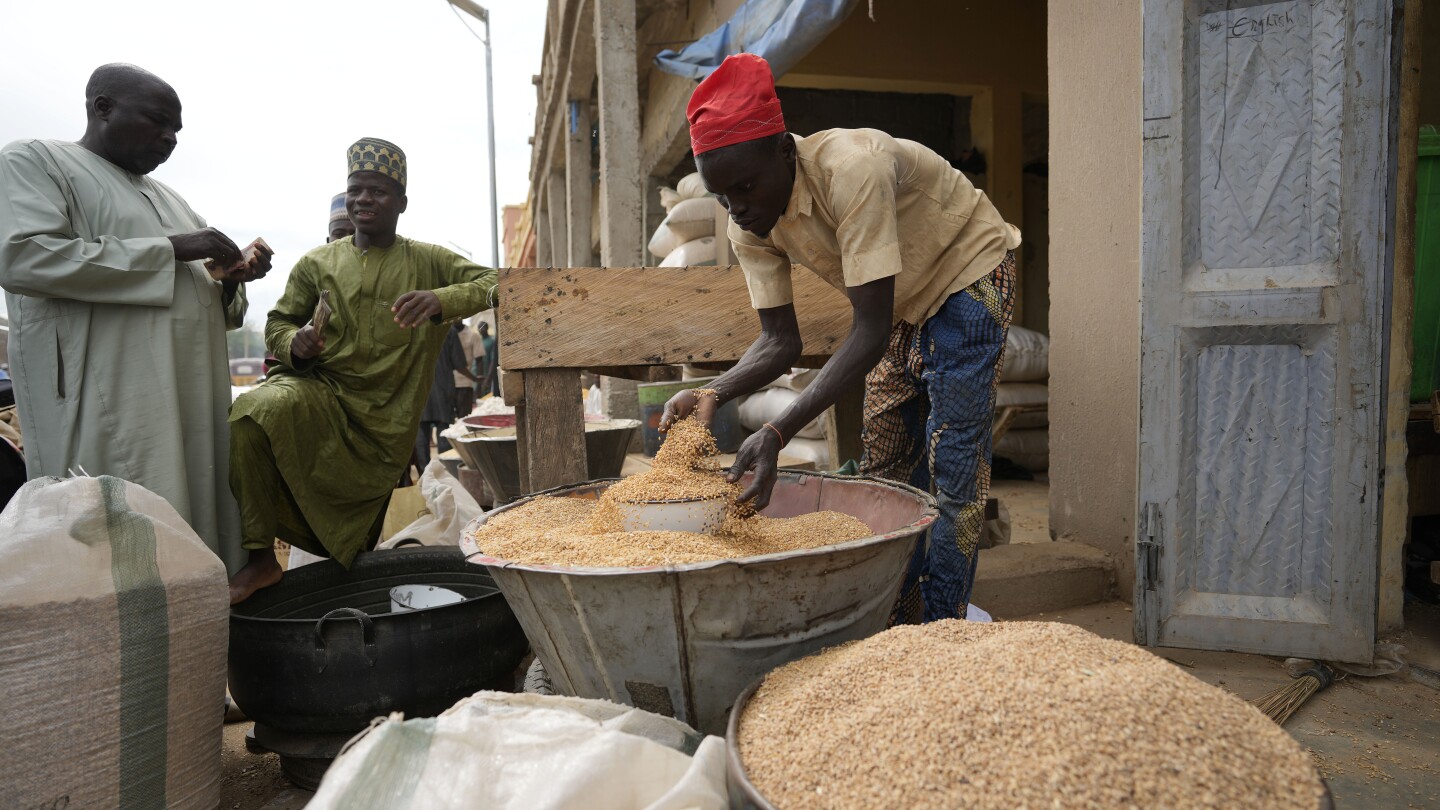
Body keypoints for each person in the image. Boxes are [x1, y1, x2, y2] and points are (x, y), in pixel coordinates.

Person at [659, 54, 1021, 623]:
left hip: (967, 276)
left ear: (785, 151)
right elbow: (779, 340)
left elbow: (870, 329)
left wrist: (779, 430)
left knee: (953, 470)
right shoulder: (749, 223)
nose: (739, 208)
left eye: (746, 187)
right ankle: (896, 614)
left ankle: (941, 630)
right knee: (885, 469)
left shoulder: (853, 169)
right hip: (908, 306)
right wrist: (715, 391)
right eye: (724, 197)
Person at [0, 63, 268, 573]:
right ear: (102, 108)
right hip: (109, 400)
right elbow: (23, 257)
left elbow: (207, 298)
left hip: (191, 400)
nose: (169, 140)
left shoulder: (172, 198)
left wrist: (232, 277)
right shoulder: (37, 161)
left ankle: (204, 626)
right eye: (157, 121)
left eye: (177, 132)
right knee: (121, 542)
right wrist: (174, 247)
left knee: (196, 524)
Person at [227, 137, 496, 603]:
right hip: (323, 394)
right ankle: (260, 558)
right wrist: (297, 343)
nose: (363, 199)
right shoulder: (317, 262)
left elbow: (497, 283)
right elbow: (279, 323)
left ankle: (358, 594)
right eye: (356, 190)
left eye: (378, 191)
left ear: (402, 203)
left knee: (363, 532)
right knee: (251, 413)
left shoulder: (428, 259)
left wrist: (441, 299)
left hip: (387, 418)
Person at [416, 322, 479, 468]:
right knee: (443, 431)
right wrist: (475, 378)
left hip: (418, 391)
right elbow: (459, 364)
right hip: (442, 389)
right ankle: (446, 471)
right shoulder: (447, 330)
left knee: (421, 435)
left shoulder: (412, 328)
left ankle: (424, 476)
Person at [454, 318, 483, 417]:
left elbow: (479, 359)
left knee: (463, 416)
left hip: (465, 382)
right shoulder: (446, 335)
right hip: (447, 384)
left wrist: (478, 383)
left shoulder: (473, 336)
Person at [477, 320, 499, 396]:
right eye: (479, 328)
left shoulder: (491, 341)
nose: (480, 329)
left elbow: (493, 360)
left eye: (482, 327)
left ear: (487, 328)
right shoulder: (478, 341)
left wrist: (488, 378)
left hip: (487, 375)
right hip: (477, 375)